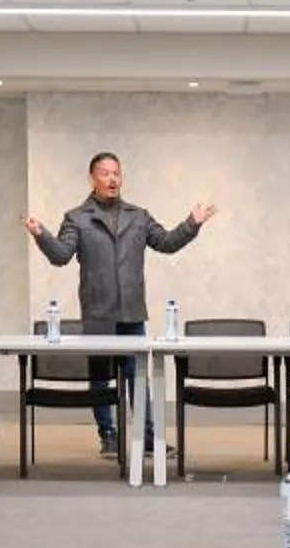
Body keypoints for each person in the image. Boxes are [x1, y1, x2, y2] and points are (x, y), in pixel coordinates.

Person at [22, 151, 219, 455]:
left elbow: (166, 243)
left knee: (137, 378)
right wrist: (41, 235)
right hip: (98, 312)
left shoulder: (138, 216)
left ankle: (149, 439)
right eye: (105, 173)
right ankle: (109, 437)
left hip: (131, 312)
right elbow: (61, 255)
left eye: (116, 173)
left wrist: (191, 224)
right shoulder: (77, 217)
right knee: (101, 380)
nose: (112, 179)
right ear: (92, 178)